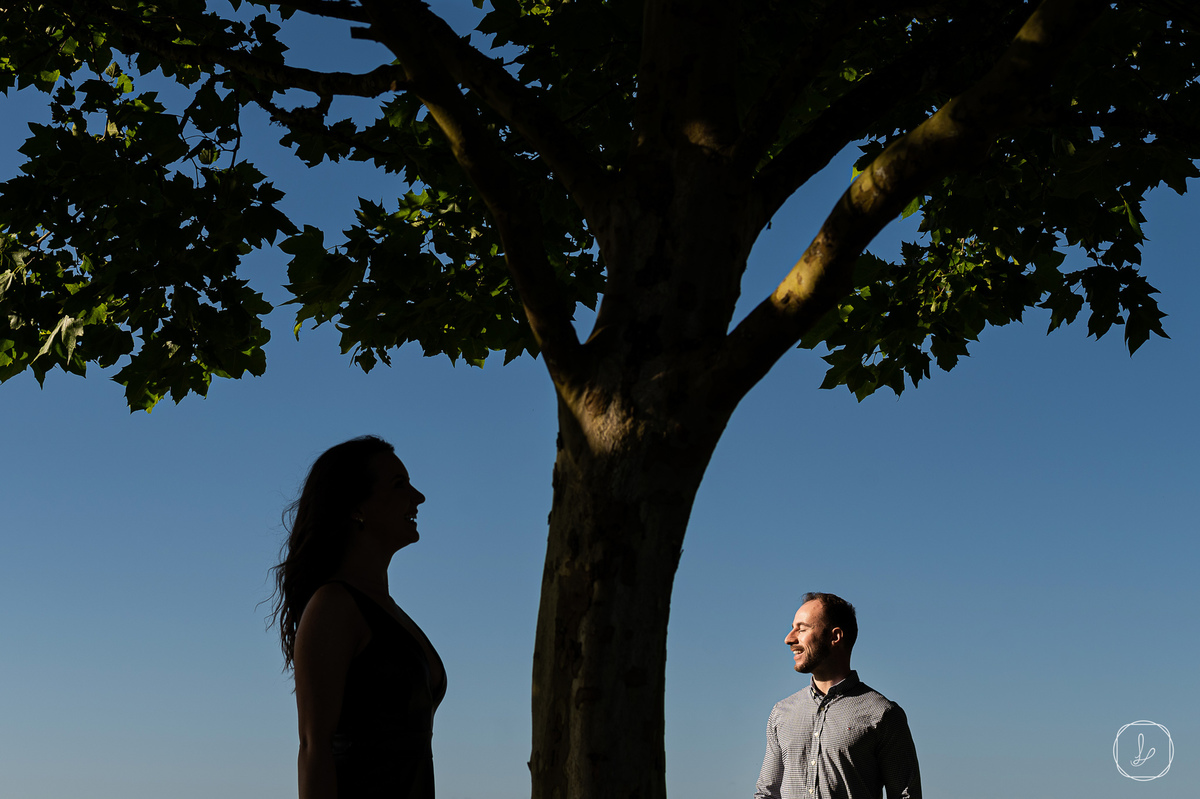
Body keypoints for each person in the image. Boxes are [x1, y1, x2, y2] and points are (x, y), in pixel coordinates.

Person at [269, 436, 447, 799]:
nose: (418, 497)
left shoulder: (389, 611)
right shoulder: (333, 606)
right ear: (355, 507)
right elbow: (313, 750)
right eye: (400, 485)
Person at [754, 593, 920, 799]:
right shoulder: (781, 713)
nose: (789, 638)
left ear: (835, 636)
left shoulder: (883, 714)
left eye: (802, 629)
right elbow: (767, 793)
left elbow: (906, 796)